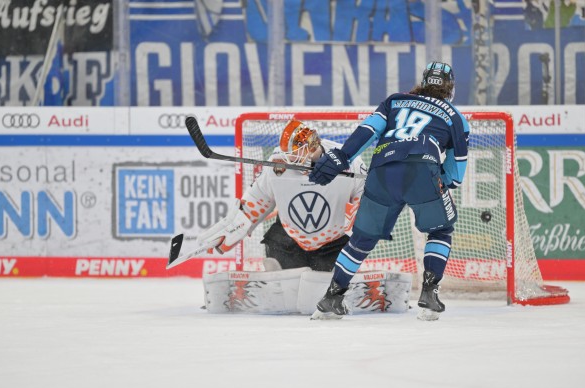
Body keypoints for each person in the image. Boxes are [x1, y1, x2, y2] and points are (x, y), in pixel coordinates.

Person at [308, 61, 470, 321]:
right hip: (422, 172)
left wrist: (341, 157)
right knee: (440, 229)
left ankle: (332, 297)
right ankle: (429, 293)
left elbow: (367, 131)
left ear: (423, 81)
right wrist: (444, 181)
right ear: (450, 87)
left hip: (382, 170)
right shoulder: (454, 116)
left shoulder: (395, 101)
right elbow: (456, 172)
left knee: (361, 239)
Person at [197, 119, 367, 272]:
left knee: (327, 287)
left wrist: (362, 213)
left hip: (333, 242)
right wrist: (235, 225)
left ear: (311, 148)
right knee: (276, 273)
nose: (287, 157)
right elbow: (257, 198)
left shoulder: (349, 163)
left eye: (294, 152)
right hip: (288, 239)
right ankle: (276, 277)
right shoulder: (277, 164)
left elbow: (366, 193)